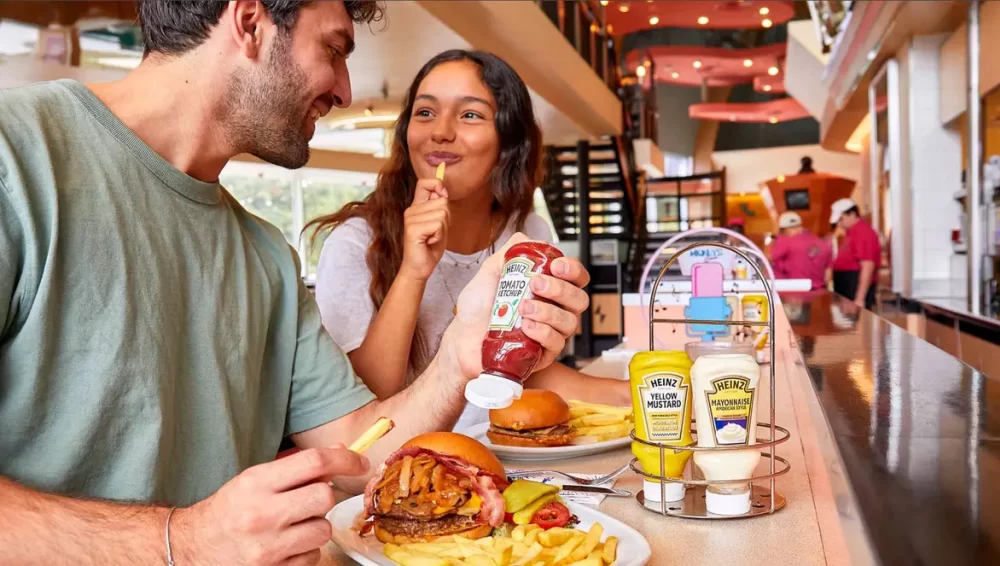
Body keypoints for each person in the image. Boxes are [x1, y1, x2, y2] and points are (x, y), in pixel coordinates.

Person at [0, 2, 590, 564]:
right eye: (333, 50)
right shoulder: (16, 158)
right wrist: (180, 541)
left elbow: (357, 450)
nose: (344, 90)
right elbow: (197, 541)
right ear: (251, 20)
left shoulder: (266, 256)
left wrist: (462, 355)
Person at [308, 49, 628, 433]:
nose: (440, 131)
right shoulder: (355, 243)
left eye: (470, 114)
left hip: (501, 454)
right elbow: (366, 405)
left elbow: (525, 375)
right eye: (424, 112)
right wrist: (413, 271)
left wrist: (632, 396)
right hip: (400, 466)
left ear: (509, 142)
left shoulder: (526, 233)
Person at [829, 197, 881, 309]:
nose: (839, 224)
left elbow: (867, 265)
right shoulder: (851, 232)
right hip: (846, 286)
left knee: (855, 324)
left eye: (841, 219)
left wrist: (859, 298)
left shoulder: (863, 233)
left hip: (853, 286)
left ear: (852, 214)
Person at [771, 212, 831, 290]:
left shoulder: (785, 241)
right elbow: (828, 276)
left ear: (785, 229)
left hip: (794, 292)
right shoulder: (822, 243)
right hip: (819, 291)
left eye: (781, 232)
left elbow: (767, 258)